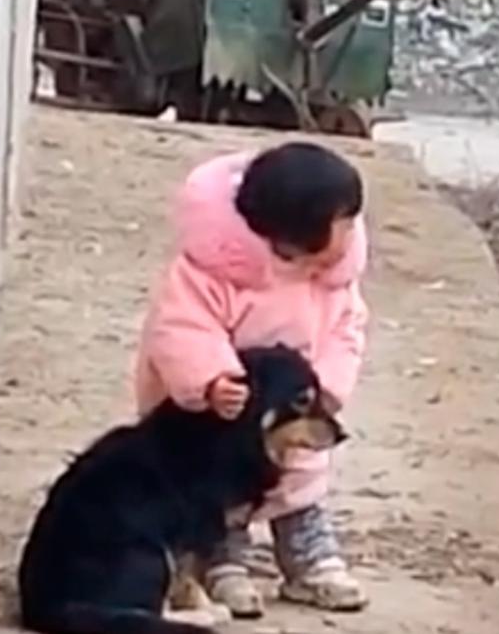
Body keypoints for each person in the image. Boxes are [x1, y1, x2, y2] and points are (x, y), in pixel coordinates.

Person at [133, 142, 370, 615]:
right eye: (343, 223)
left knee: (301, 470)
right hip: (221, 411)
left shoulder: (331, 277)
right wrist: (210, 380)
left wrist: (327, 386)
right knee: (220, 481)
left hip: (290, 407)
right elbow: (182, 326)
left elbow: (348, 328)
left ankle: (307, 557)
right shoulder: (214, 268)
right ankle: (222, 559)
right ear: (298, 231)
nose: (354, 232)